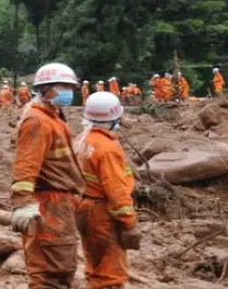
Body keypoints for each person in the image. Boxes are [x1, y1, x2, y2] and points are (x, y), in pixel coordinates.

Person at [11, 62, 85, 289]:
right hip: (49, 205)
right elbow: (26, 164)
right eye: (62, 86)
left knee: (62, 268)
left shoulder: (53, 117)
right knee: (49, 273)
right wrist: (23, 202)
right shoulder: (38, 120)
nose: (68, 92)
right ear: (45, 89)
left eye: (70, 87)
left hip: (61, 203)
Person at [73, 91, 141, 289]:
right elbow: (116, 190)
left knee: (94, 265)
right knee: (110, 273)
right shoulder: (107, 148)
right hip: (103, 213)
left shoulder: (82, 140)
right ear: (113, 117)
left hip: (83, 207)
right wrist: (129, 223)